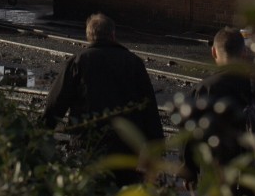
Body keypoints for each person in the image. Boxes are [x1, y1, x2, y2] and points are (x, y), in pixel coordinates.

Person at [42, 12, 164, 187]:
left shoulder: (78, 62)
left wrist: (42, 133)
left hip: (87, 145)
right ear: (113, 35)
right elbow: (149, 109)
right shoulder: (134, 62)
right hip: (126, 147)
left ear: (89, 37)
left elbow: (56, 104)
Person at [180, 27, 255, 185]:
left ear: (214, 52)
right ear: (244, 52)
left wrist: (189, 170)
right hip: (254, 174)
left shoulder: (204, 89)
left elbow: (190, 136)